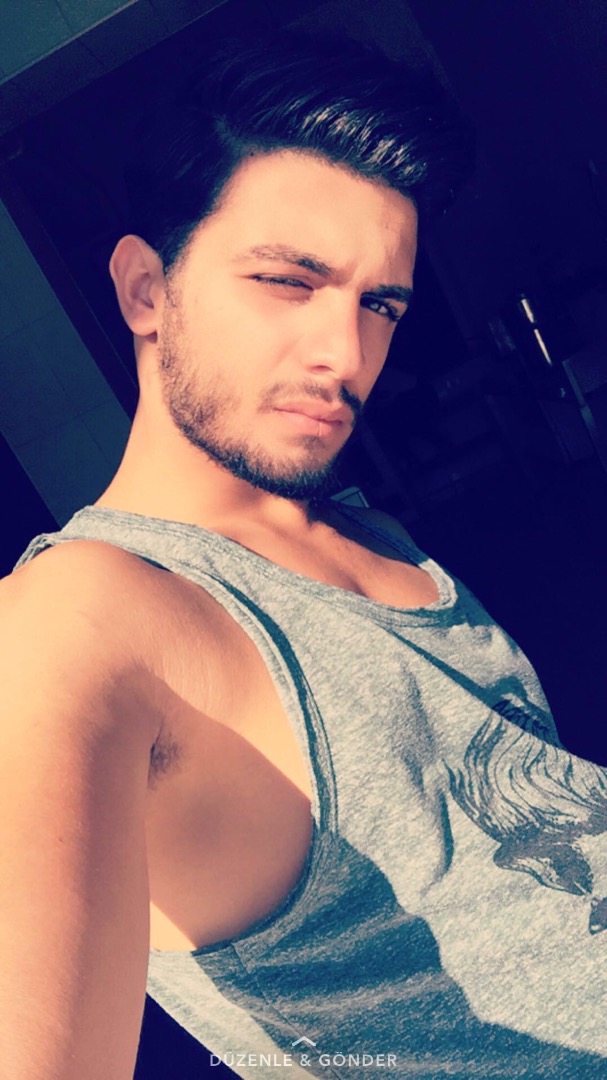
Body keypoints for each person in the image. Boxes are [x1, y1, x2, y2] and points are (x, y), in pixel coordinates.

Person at [2, 28, 606, 1080]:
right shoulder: (77, 619)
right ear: (146, 290)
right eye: (288, 281)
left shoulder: (362, 529)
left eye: (379, 304)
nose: (345, 354)